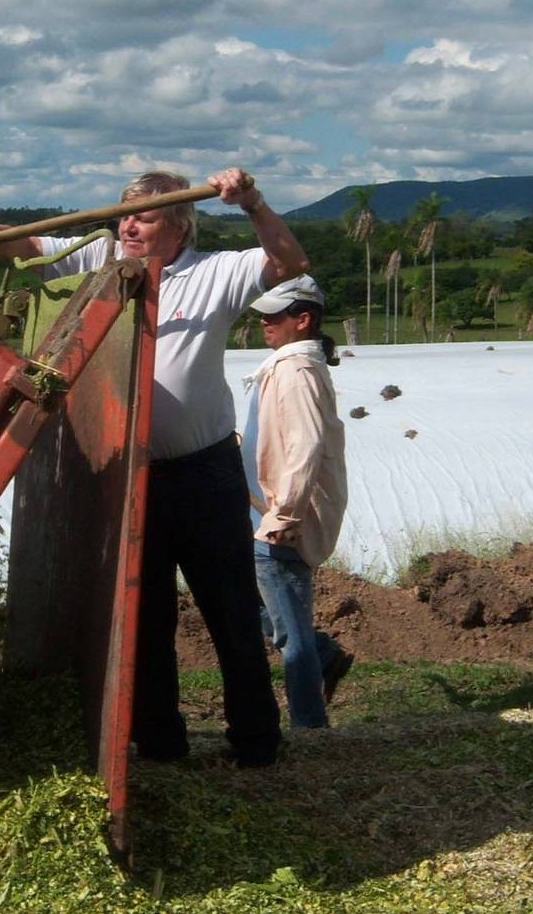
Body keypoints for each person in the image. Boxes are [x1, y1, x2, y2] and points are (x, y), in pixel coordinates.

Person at [0, 167, 308, 767]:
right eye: (124, 215)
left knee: (231, 610)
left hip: (204, 474)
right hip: (131, 475)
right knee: (147, 617)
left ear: (180, 226)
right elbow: (31, 243)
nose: (128, 225)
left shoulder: (214, 272)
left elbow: (290, 263)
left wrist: (253, 203)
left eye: (145, 217)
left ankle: (256, 742)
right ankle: (160, 743)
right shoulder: (102, 258)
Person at [240, 275, 353, 729]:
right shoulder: (284, 366)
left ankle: (310, 726)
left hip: (280, 518)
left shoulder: (296, 371)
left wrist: (284, 516)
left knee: (290, 634)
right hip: (259, 511)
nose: (265, 322)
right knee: (255, 606)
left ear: (302, 319)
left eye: (275, 315)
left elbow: (305, 446)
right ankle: (326, 656)